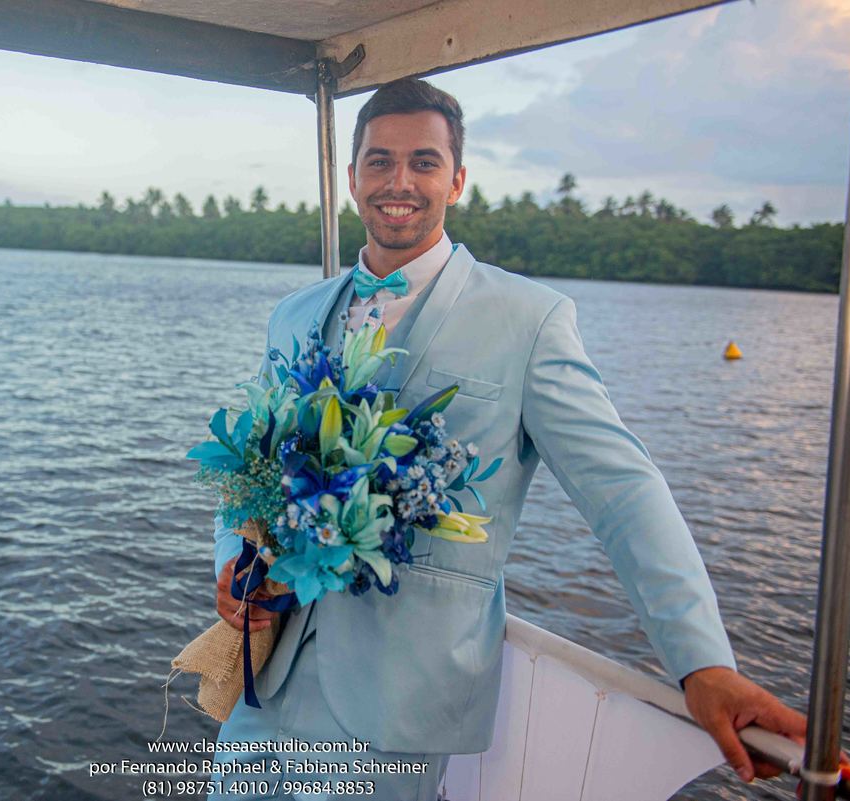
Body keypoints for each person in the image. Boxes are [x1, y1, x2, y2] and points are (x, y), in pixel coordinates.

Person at [209, 78, 806, 801]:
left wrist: (702, 661)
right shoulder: (293, 314)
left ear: (457, 180)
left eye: (424, 162)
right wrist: (238, 561)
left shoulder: (531, 319)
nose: (400, 182)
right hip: (264, 682)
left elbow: (622, 492)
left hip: (396, 703)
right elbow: (255, 466)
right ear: (352, 175)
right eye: (380, 161)